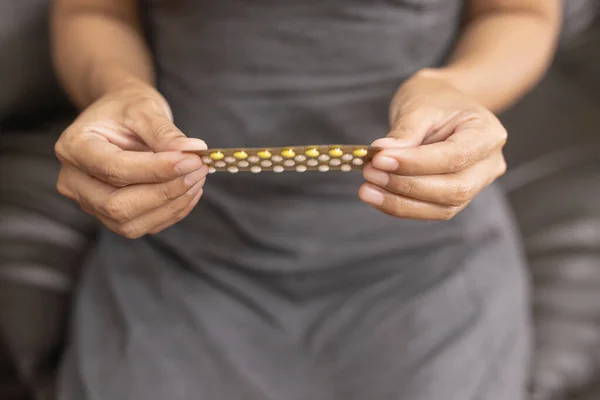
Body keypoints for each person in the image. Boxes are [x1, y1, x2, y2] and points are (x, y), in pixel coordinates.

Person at [50, 0, 561, 399]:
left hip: (427, 257)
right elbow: (92, 10)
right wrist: (115, 89)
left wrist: (459, 87)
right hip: (179, 247)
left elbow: (519, 11)